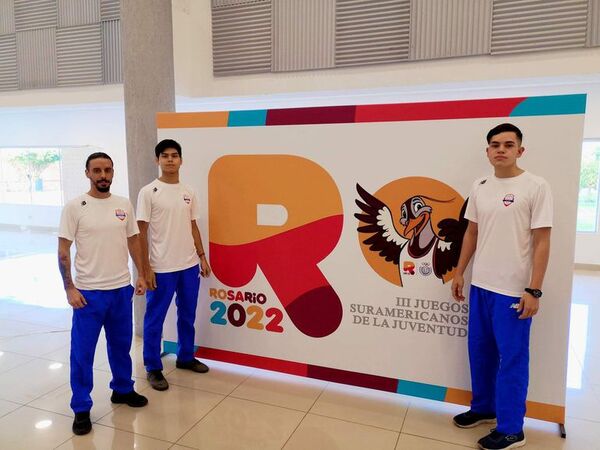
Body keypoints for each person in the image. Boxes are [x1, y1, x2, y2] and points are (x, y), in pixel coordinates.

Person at [451, 123, 553, 450]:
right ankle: (484, 408)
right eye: (495, 145)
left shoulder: (536, 186)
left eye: (509, 145)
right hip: (481, 285)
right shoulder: (480, 185)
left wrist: (534, 289)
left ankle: (512, 429)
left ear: (520, 150)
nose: (501, 150)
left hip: (513, 291)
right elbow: (471, 233)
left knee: (511, 359)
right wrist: (459, 272)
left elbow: (542, 241)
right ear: (487, 151)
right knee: (480, 352)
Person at [58, 152, 149, 436]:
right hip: (88, 294)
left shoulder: (123, 204)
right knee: (82, 354)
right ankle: (81, 407)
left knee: (121, 347)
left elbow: (133, 239)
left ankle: (122, 389)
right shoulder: (75, 207)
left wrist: (141, 274)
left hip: (121, 289)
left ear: (113, 172)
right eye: (97, 170)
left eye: (107, 170)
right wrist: (69, 288)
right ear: (87, 173)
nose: (103, 176)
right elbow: (63, 251)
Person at [137, 139, 211, 391]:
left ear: (181, 160)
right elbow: (141, 232)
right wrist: (145, 268)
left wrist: (201, 255)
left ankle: (186, 357)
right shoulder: (148, 192)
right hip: (161, 267)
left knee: (187, 314)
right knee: (154, 318)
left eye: (174, 155)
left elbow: (192, 225)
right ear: (157, 160)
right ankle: (153, 367)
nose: (170, 159)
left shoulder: (188, 191)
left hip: (189, 265)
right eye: (165, 156)